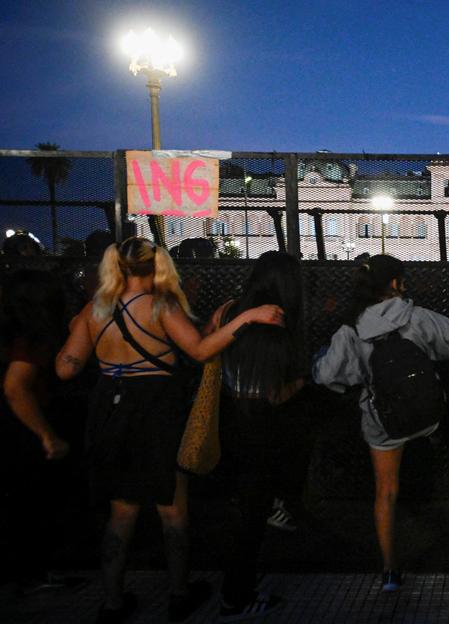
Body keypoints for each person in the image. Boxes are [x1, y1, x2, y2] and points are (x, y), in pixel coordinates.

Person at [54, 237, 284, 623]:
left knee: (121, 512)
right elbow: (199, 350)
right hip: (156, 409)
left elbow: (66, 368)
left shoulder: (95, 310)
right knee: (172, 510)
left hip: (110, 411)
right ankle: (179, 595)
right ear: (158, 266)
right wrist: (247, 317)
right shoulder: (161, 306)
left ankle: (112, 602)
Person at [313, 255, 449, 594]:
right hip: (427, 415)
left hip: (382, 421)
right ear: (395, 284)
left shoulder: (351, 328)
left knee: (386, 490)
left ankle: (390, 571)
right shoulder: (416, 317)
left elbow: (326, 374)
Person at [206, 251, 307, 621]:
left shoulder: (229, 311)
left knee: (241, 510)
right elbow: (273, 393)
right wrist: (301, 381)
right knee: (252, 516)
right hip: (260, 425)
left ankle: (235, 587)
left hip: (227, 416)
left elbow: (206, 345)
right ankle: (236, 596)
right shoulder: (276, 321)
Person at [0, 270, 81, 595]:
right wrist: (47, 435)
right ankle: (32, 574)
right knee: (29, 504)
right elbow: (16, 388)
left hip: (12, 429)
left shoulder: (10, 331)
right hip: (20, 431)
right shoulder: (34, 337)